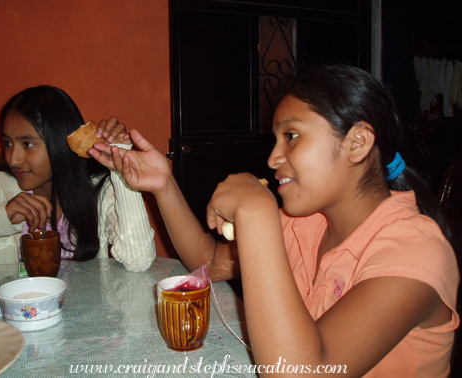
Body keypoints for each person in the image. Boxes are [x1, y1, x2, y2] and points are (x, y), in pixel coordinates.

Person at [91, 64, 460, 377]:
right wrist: (164, 185)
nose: (272, 158)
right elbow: (206, 260)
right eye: (276, 139)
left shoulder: (416, 250)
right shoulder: (305, 222)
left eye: (292, 136)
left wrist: (256, 212)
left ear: (358, 142)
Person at [0, 85, 155, 271]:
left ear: (61, 142)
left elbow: (139, 261)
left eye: (27, 144)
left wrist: (121, 169)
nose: (13, 159)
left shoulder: (100, 191)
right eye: (8, 143)